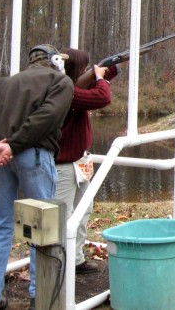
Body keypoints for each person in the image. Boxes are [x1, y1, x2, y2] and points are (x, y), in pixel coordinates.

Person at [0, 44, 74, 310]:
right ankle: (39, 297)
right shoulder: (61, 81)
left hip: (0, 158)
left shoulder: (1, 84)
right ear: (53, 61)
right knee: (44, 228)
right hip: (33, 155)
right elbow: (48, 117)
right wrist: (12, 146)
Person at [55, 48, 121, 274]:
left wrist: (109, 68)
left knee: (83, 211)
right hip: (62, 165)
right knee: (61, 217)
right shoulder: (64, 91)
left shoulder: (73, 88)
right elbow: (101, 96)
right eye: (83, 67)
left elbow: (94, 87)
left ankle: (75, 259)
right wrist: (101, 77)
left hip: (79, 160)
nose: (86, 70)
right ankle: (57, 265)